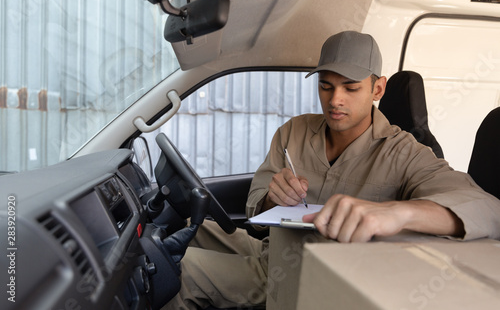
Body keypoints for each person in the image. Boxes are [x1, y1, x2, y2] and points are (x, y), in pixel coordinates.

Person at [164, 31, 500, 310]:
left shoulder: (405, 153)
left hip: (309, 278)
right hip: (272, 251)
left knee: (175, 270)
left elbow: (487, 208)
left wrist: (397, 213)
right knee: (181, 231)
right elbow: (256, 204)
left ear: (377, 89)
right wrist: (271, 198)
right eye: (326, 86)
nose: (335, 99)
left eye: (351, 88)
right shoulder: (293, 132)